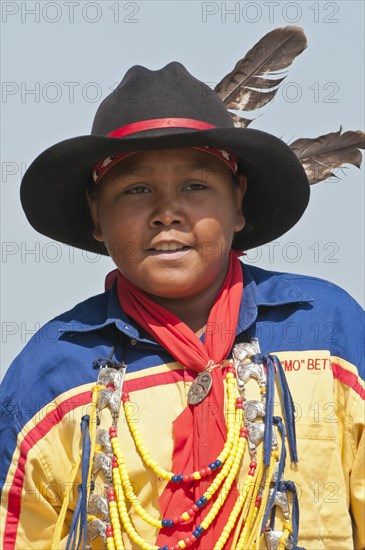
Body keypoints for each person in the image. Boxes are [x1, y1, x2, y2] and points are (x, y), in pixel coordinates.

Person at [1, 61, 364, 550]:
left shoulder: (327, 329)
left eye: (195, 186)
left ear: (238, 203)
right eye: (136, 189)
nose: (167, 213)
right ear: (95, 215)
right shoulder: (50, 373)